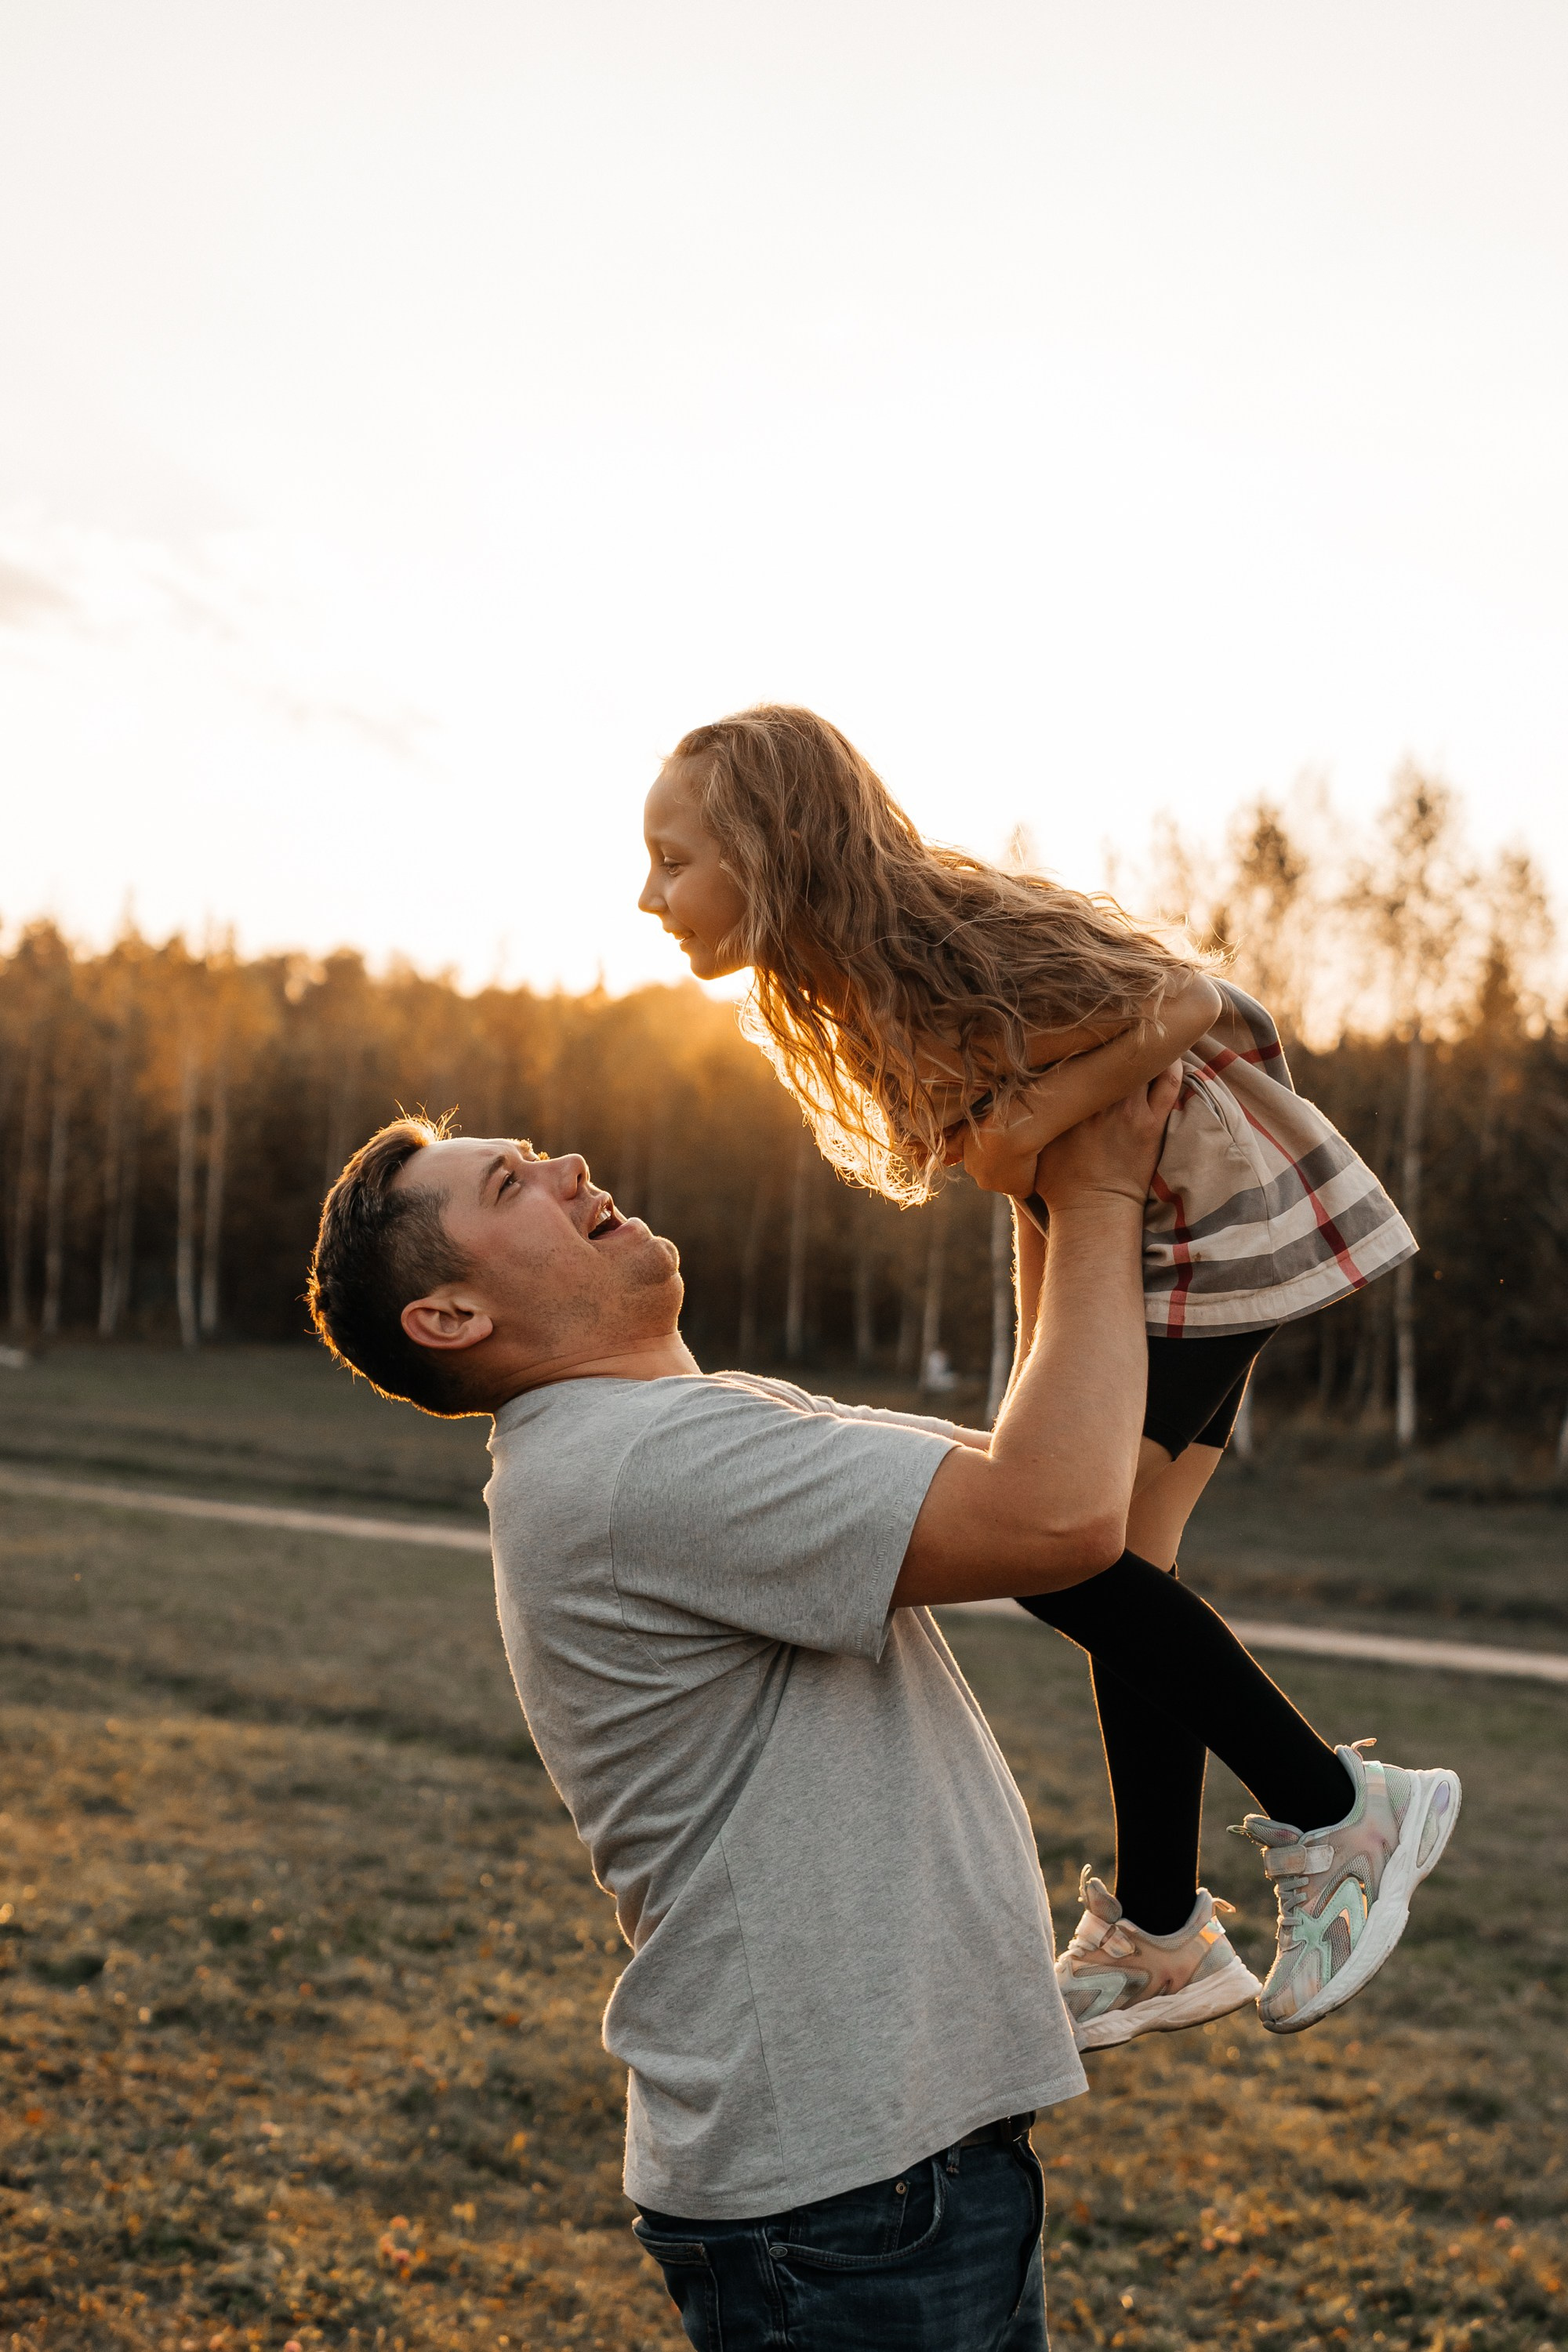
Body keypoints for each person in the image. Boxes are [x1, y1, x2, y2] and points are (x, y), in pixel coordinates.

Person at [306, 1077, 1185, 2349]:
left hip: (883, 2169)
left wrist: (1041, 1192)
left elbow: (1053, 1477)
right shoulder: (641, 1466)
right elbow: (1055, 1516)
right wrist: (1093, 1190)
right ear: (451, 1314)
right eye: (512, 1185)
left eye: (541, 1152)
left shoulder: (671, 1433)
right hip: (848, 2200)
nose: (570, 1167)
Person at [637, 702, 1461, 2050]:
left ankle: (1336, 1808)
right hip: (1140, 1243)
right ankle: (1158, 1931)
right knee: (1120, 1562)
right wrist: (1033, 1219)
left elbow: (1186, 1002)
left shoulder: (924, 930)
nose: (650, 896)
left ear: (772, 850)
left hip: (1201, 1225)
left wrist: (1032, 1130)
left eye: (676, 862)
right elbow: (1008, 1166)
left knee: (1055, 1548)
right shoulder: (851, 972)